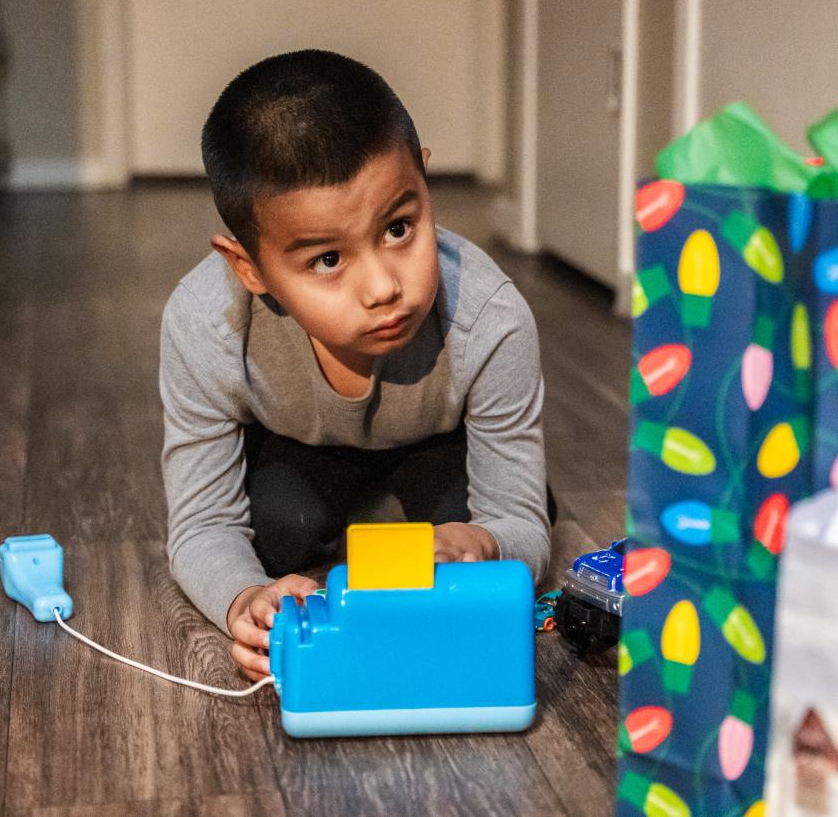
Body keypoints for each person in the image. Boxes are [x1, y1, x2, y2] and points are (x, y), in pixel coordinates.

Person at [159, 49, 550, 681]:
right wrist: (242, 598)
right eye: (327, 260)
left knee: (465, 534)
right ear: (248, 268)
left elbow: (521, 520)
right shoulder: (206, 324)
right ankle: (367, 516)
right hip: (300, 449)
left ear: (424, 181)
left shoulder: (491, 318)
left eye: (398, 228)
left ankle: (384, 517)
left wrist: (490, 541)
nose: (383, 288)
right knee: (275, 532)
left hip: (436, 445)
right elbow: (202, 524)